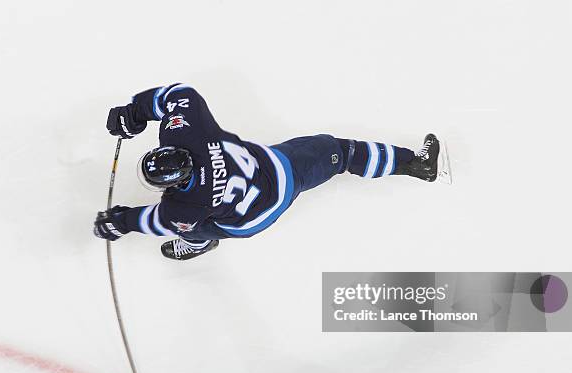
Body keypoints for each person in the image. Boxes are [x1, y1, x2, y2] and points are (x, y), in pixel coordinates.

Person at [94, 83, 448, 260]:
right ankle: (412, 161)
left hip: (255, 213)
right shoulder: (188, 133)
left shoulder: (183, 208)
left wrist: (119, 222)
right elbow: (180, 93)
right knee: (337, 149)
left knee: (196, 225)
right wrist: (135, 112)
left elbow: (155, 221)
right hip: (277, 166)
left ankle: (198, 242)